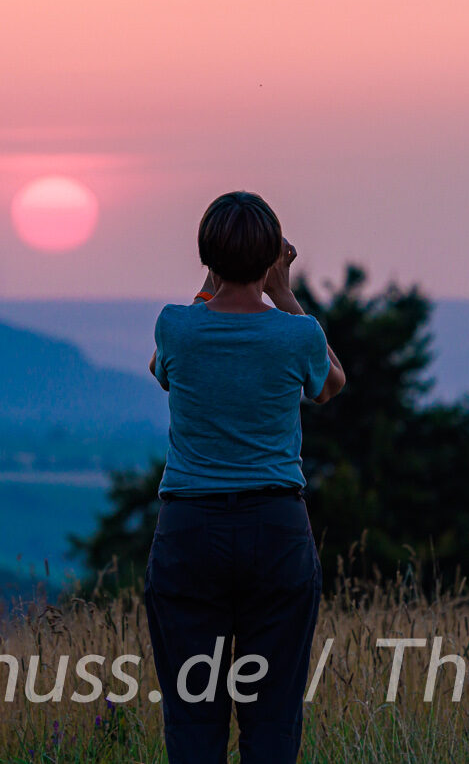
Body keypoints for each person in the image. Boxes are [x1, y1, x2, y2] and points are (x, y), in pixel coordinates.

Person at [144, 191, 345, 764]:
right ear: (272, 258)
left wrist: (213, 284)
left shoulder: (174, 327)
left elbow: (164, 373)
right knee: (273, 717)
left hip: (188, 531)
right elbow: (331, 384)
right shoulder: (296, 335)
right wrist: (283, 294)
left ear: (206, 255)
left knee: (192, 716)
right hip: (275, 529)